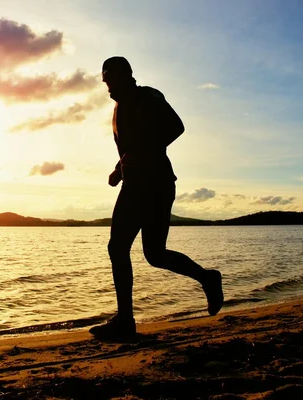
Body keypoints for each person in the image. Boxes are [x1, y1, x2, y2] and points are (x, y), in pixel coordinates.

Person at [89, 56, 224, 341]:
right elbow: (130, 147)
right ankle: (207, 278)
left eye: (110, 80)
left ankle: (126, 321)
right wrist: (118, 170)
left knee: (127, 249)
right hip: (136, 184)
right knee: (149, 253)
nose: (108, 87)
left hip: (156, 183)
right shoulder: (118, 108)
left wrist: (141, 155)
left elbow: (176, 127)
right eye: (105, 82)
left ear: (125, 75)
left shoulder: (147, 96)